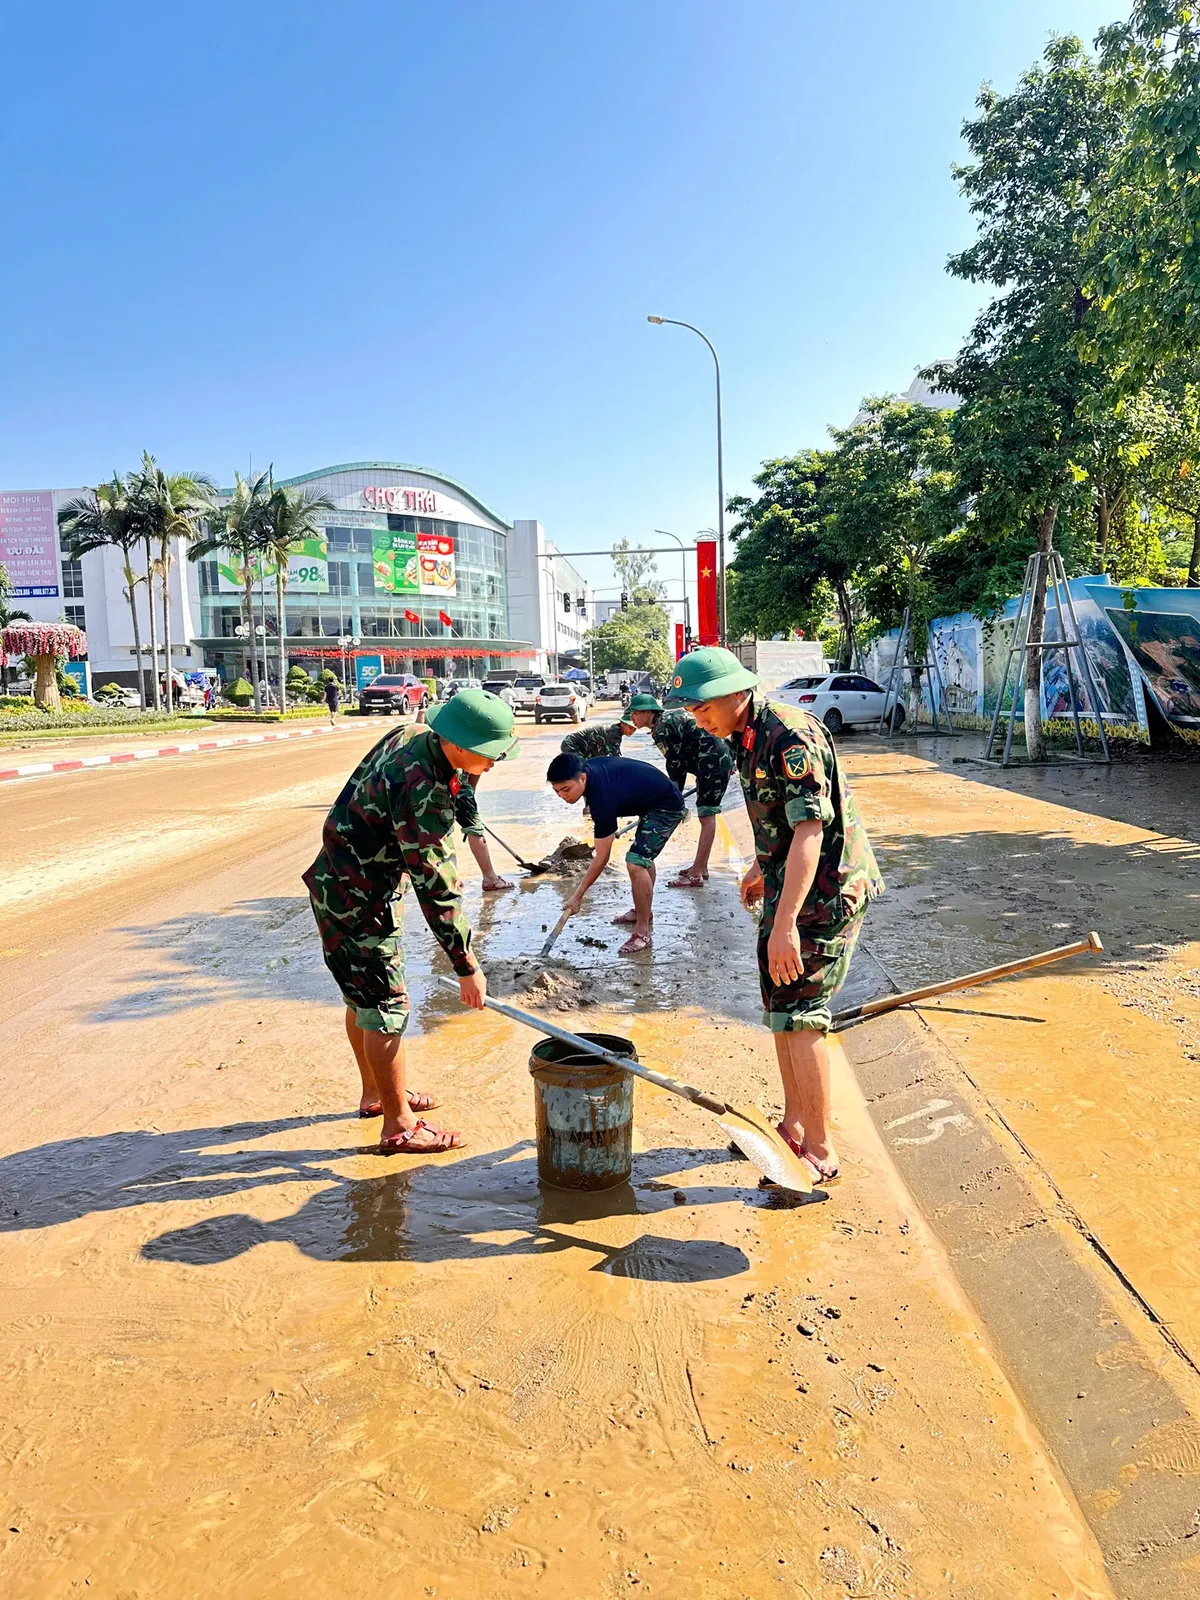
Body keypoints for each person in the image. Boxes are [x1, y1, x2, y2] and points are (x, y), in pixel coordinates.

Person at [665, 647, 883, 1185]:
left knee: (804, 1013)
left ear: (737, 693)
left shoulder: (789, 735)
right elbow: (779, 822)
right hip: (789, 887)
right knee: (781, 1005)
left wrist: (784, 925)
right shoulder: (743, 736)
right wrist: (762, 871)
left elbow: (810, 829)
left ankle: (821, 1147)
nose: (699, 719)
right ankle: (792, 1124)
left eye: (702, 708)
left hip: (825, 894)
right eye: (692, 712)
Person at [304, 690, 519, 1154]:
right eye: (492, 753)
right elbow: (438, 888)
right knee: (386, 1008)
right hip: (360, 899)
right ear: (459, 744)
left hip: (338, 880)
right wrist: (466, 965)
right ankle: (399, 1126)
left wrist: (467, 783)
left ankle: (376, 1097)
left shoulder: (413, 734)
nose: (497, 760)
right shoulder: (425, 792)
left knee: (362, 999)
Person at [547, 750, 685, 956]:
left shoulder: (601, 797)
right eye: (557, 792)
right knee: (643, 856)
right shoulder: (589, 770)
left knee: (636, 861)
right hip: (651, 802)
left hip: (667, 806)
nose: (563, 796)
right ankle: (642, 913)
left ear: (582, 777)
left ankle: (642, 932)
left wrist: (577, 897)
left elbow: (602, 858)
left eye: (566, 789)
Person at [620, 691, 734, 889]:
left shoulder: (662, 729)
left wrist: (672, 798)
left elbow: (676, 766)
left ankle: (696, 873)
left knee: (707, 816)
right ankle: (702, 866)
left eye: (634, 714)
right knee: (706, 815)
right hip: (714, 760)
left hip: (711, 763)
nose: (632, 719)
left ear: (647, 712)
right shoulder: (667, 720)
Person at [454, 774, 512, 891]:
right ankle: (490, 878)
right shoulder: (478, 756)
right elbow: (476, 769)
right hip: (456, 783)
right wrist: (469, 795)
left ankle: (448, 879)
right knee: (475, 828)